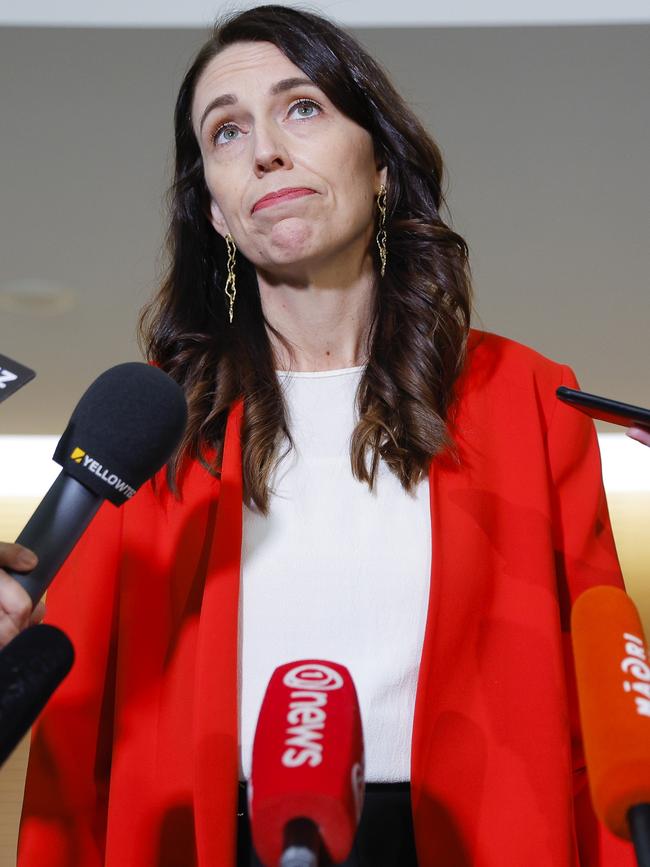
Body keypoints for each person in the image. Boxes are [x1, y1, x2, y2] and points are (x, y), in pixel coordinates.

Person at [6, 6, 639, 866]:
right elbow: (78, 744)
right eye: (226, 131)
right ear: (220, 214)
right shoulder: (152, 421)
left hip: (467, 842)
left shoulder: (525, 396)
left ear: (378, 161)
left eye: (301, 108)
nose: (265, 148)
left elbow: (605, 707)